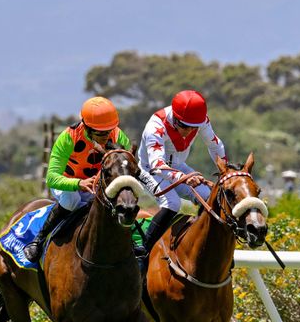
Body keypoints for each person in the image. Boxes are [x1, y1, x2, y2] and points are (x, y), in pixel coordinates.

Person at [23, 96, 132, 262]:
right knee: (71, 199)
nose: (106, 136)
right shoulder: (68, 138)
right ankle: (39, 240)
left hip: (98, 186)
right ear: (86, 127)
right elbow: (52, 178)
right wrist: (78, 183)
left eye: (109, 130)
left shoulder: (118, 136)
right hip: (67, 183)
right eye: (100, 133)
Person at [135, 89, 228, 264]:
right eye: (184, 127)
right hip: (150, 170)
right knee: (172, 203)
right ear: (175, 118)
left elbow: (215, 145)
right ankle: (143, 251)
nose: (188, 132)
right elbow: (157, 164)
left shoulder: (200, 121)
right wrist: (184, 178)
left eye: (194, 128)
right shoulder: (155, 126)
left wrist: (225, 171)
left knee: (209, 197)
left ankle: (205, 244)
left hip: (177, 167)